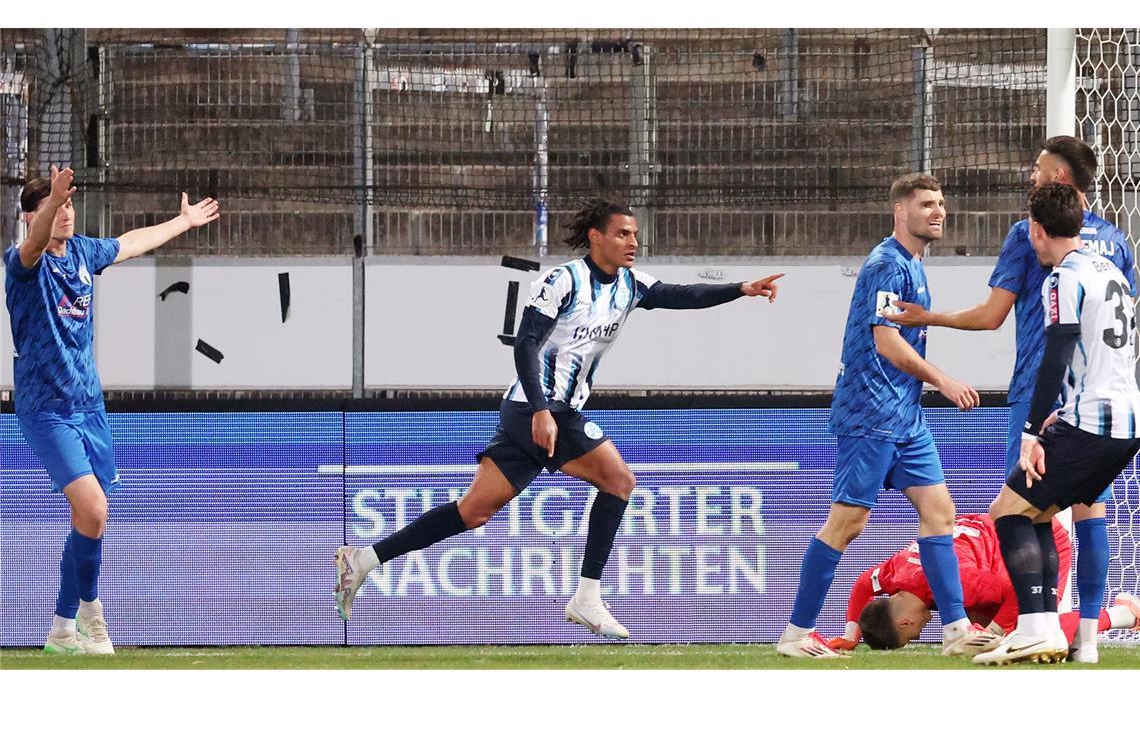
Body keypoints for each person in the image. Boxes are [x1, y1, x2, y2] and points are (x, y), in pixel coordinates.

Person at [333, 197, 785, 638]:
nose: (632, 242)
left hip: (546, 412)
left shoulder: (630, 284)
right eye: (622, 233)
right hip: (539, 409)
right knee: (619, 480)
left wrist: (740, 289)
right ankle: (587, 598)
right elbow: (526, 343)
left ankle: (365, 559)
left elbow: (681, 295)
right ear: (596, 237)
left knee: (473, 512)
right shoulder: (563, 281)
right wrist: (542, 410)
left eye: (635, 235)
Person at [885, 136, 1136, 661]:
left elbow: (995, 317)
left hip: (1049, 402)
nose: (1031, 178)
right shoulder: (1116, 247)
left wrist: (928, 317)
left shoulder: (1032, 237)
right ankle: (1086, 638)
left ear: (1059, 184)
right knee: (1088, 515)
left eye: (1040, 172)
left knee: (1016, 511)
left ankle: (1032, 623)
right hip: (1118, 408)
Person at [776, 173, 998, 658]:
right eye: (926, 204)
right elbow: (885, 340)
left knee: (940, 514)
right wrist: (943, 379)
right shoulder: (886, 264)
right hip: (871, 410)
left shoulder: (914, 265)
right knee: (848, 523)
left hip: (905, 414)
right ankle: (796, 634)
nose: (938, 211)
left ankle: (956, 628)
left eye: (940, 203)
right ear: (900, 211)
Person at [5, 166, 220, 655]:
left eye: (69, 206)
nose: (65, 215)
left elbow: (129, 243)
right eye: (56, 208)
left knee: (92, 520)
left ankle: (62, 631)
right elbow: (32, 244)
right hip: (46, 408)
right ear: (31, 217)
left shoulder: (82, 252)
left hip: (89, 405)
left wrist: (181, 223)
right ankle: (92, 613)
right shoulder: (22, 264)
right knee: (93, 507)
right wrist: (51, 201)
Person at [974, 183, 1140, 665]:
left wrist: (1030, 433)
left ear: (1036, 230)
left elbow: (1058, 353)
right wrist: (1060, 412)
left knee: (1007, 512)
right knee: (1039, 509)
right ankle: (1046, 626)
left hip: (1094, 421)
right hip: (1124, 420)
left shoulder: (1062, 278)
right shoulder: (1109, 268)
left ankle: (1034, 627)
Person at [829, 514, 1140, 653]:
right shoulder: (895, 574)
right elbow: (862, 585)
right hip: (994, 545)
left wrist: (993, 635)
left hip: (1039, 541)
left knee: (1028, 634)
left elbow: (1014, 591)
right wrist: (850, 634)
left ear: (905, 620)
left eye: (911, 635)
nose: (920, 634)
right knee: (978, 628)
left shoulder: (961, 582)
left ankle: (1125, 613)